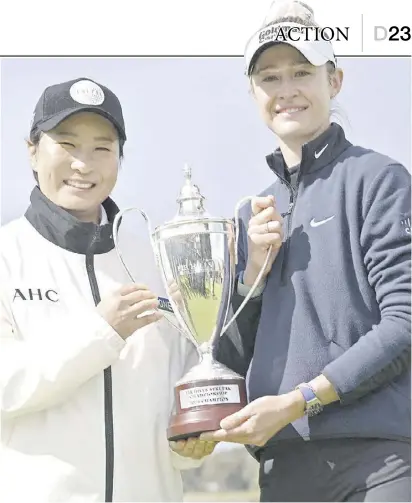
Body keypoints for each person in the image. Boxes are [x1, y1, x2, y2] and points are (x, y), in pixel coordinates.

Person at [208, 1, 412, 502]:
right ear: (253, 93)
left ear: (335, 80)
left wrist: (301, 400)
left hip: (377, 461)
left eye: (302, 72)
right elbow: (228, 356)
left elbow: (404, 321)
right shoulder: (250, 214)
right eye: (270, 77)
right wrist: (251, 273)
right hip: (282, 467)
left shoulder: (379, 180)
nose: (287, 90)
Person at [0, 77, 218, 502]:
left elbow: (180, 389)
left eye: (102, 148)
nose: (84, 164)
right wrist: (103, 332)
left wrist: (189, 442)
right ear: (31, 149)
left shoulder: (155, 261)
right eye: (66, 144)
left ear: (121, 157)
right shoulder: (6, 255)